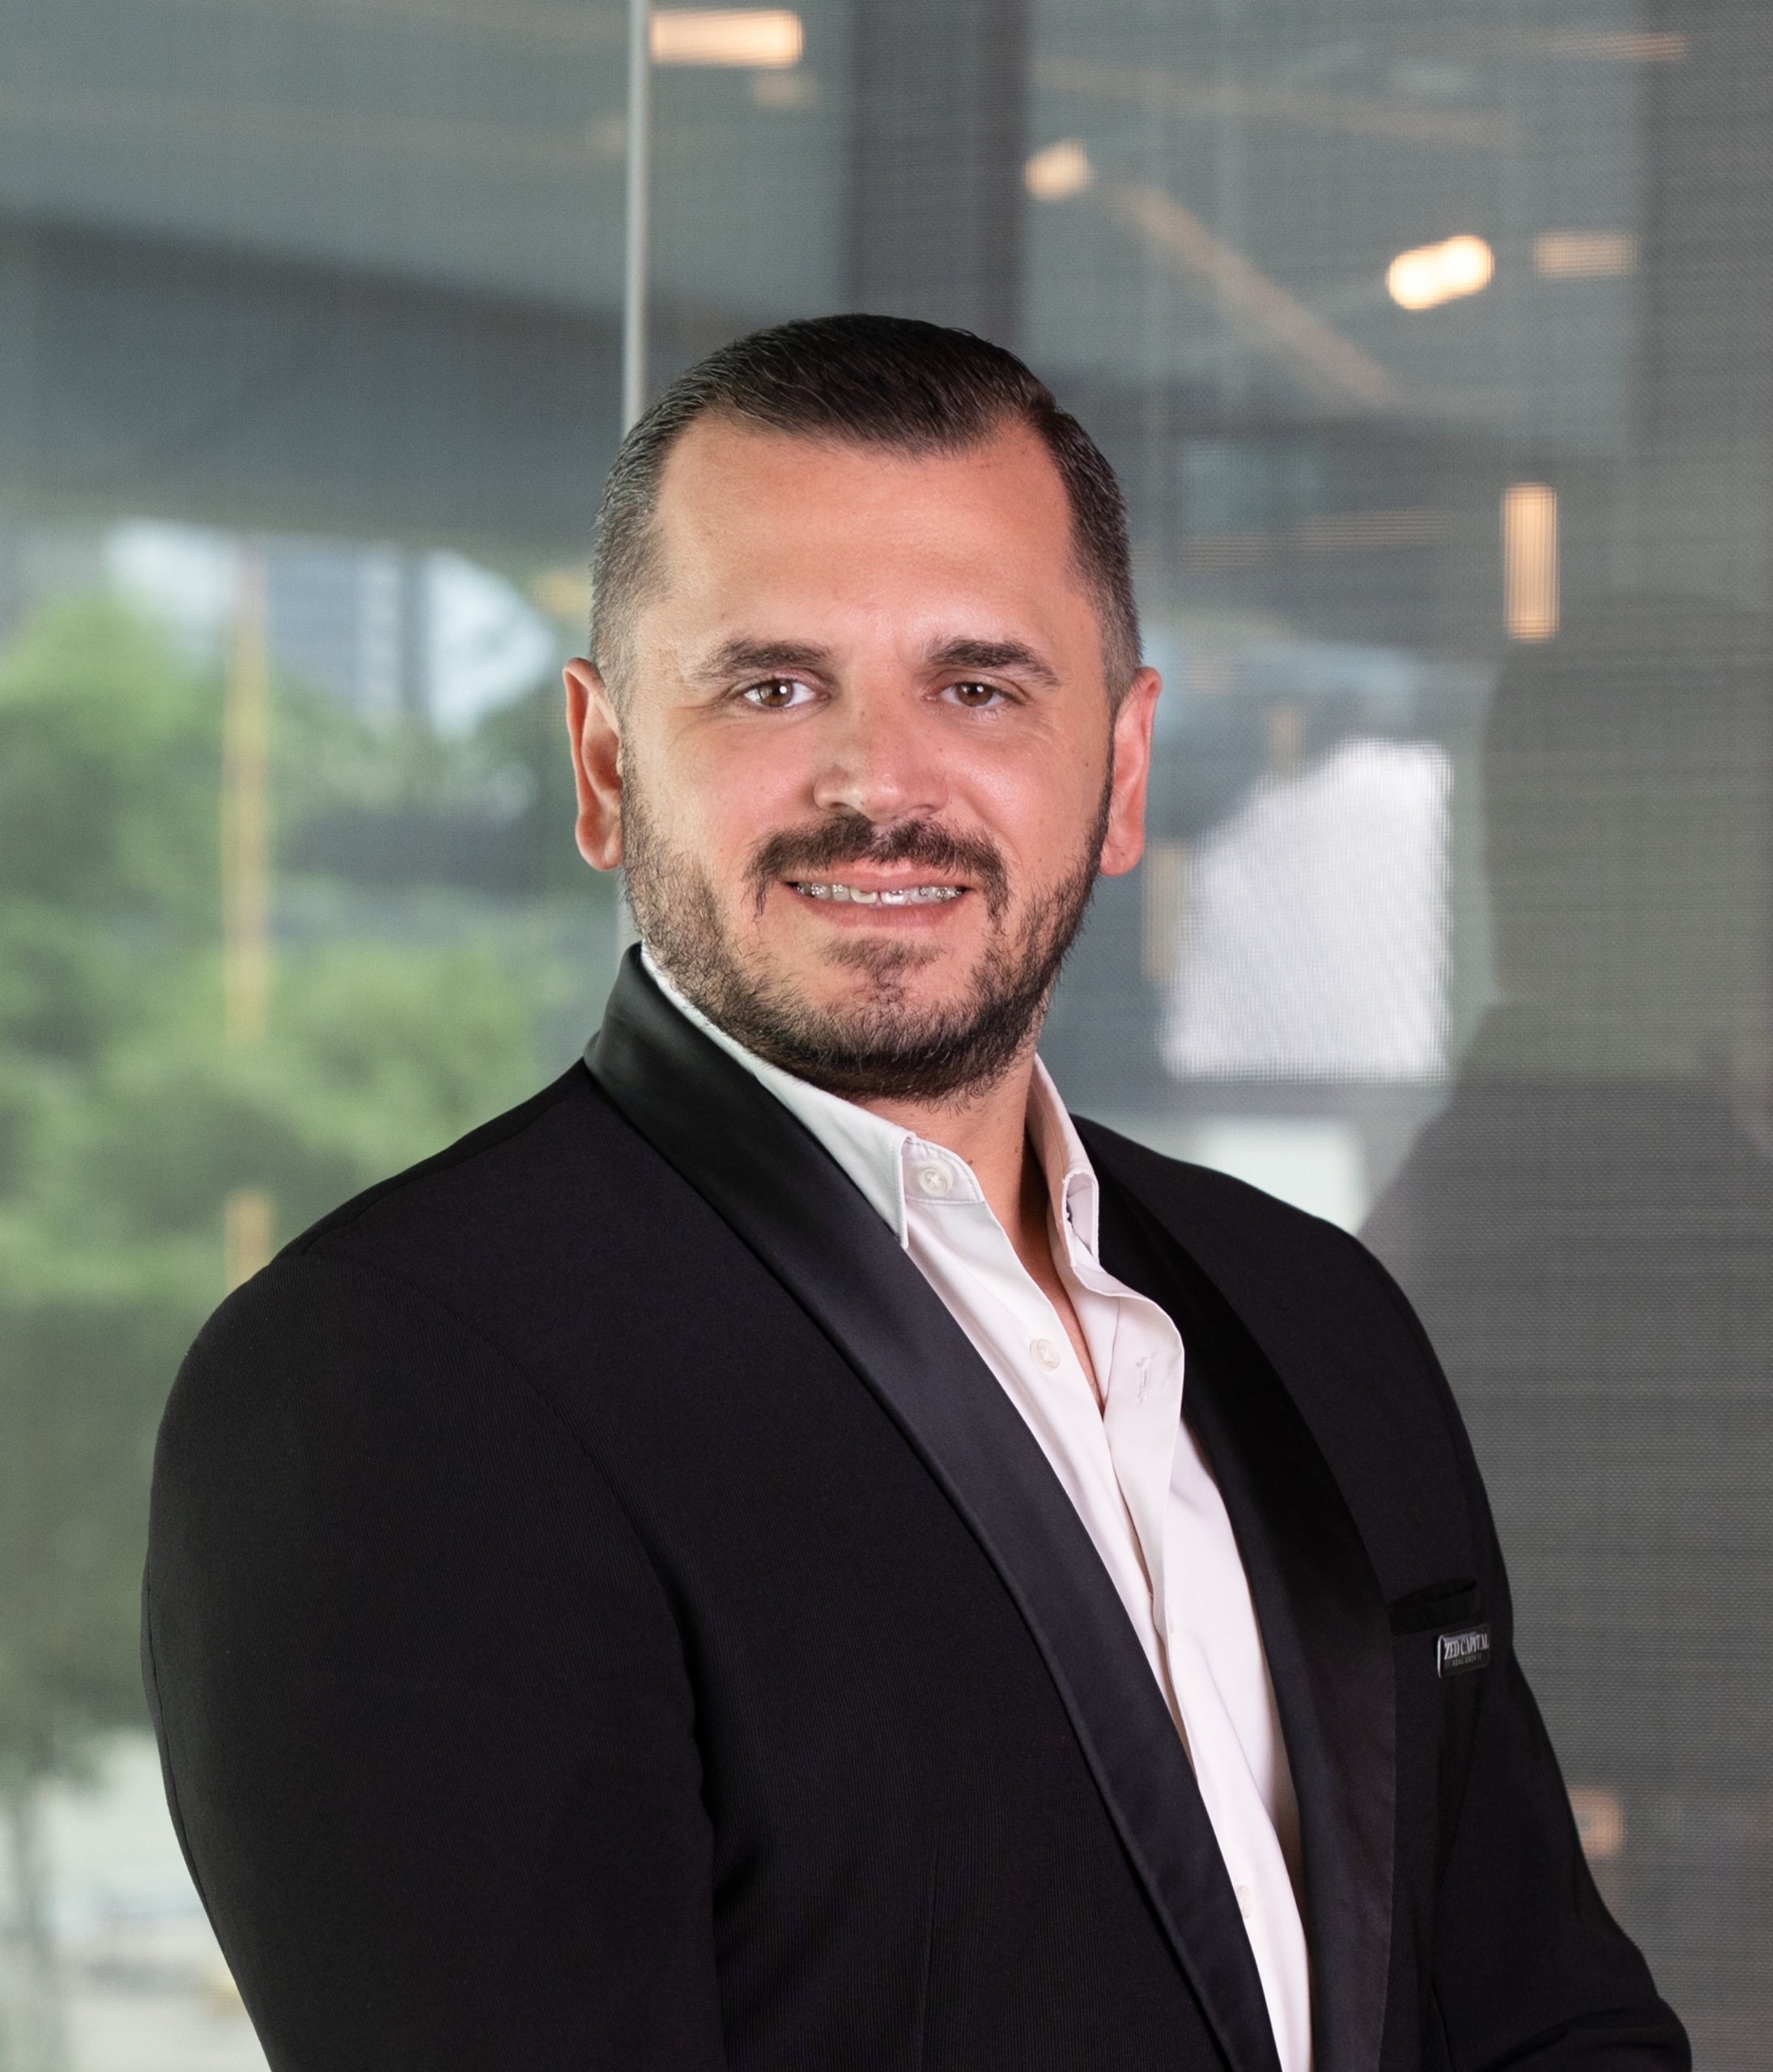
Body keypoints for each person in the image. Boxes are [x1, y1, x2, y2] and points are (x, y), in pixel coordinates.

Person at [142, 316, 1686, 2071]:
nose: (881, 785)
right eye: (771, 686)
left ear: (1120, 771)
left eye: (979, 687)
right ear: (605, 763)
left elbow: (1550, 2019)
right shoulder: (383, 1385)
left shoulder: (1314, 1312)